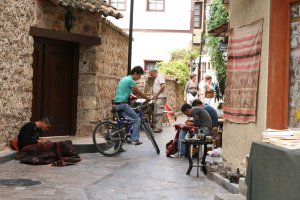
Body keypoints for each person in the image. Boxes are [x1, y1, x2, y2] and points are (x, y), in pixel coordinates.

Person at [114, 66, 150, 145]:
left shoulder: (124, 79)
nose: (139, 77)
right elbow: (139, 92)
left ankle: (118, 147)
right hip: (122, 104)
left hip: (117, 103)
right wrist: (147, 99)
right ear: (135, 73)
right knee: (137, 120)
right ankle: (134, 138)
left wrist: (131, 96)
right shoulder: (131, 81)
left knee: (121, 125)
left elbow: (126, 91)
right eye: (139, 75)